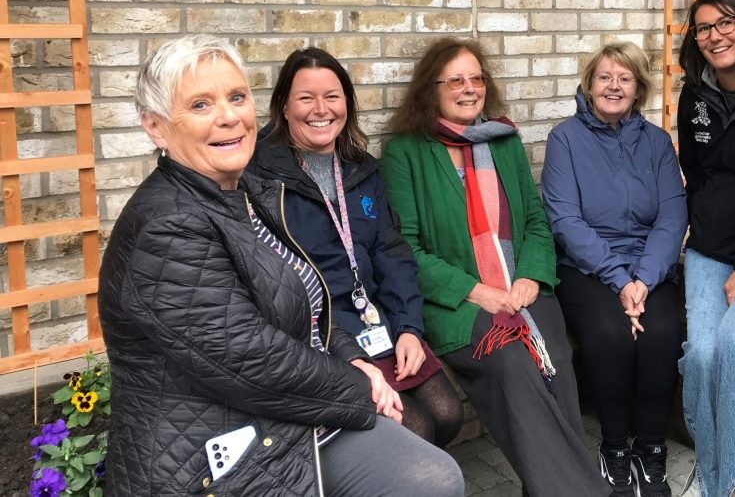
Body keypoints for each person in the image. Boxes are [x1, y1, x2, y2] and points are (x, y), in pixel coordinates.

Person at [98, 36, 464, 497]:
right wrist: (359, 384)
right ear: (155, 126)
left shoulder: (243, 195)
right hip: (214, 449)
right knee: (429, 475)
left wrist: (353, 355)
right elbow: (248, 358)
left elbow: (307, 298)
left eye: (236, 97)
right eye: (200, 104)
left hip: (279, 408)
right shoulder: (167, 224)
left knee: (437, 456)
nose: (228, 116)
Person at [380, 37, 607, 497]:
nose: (469, 88)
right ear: (430, 90)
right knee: (512, 365)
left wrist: (529, 276)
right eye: (455, 80)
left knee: (557, 363)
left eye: (476, 78)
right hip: (458, 301)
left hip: (520, 286)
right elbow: (406, 248)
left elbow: (536, 222)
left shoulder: (503, 140)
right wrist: (477, 291)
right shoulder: (406, 151)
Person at [248, 47, 464, 448]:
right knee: (415, 428)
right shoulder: (260, 179)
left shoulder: (361, 168)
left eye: (332, 96)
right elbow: (279, 290)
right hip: (320, 337)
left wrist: (409, 328)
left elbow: (391, 253)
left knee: (448, 414)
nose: (321, 109)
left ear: (346, 103)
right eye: (306, 97)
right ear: (283, 106)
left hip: (376, 322)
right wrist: (346, 354)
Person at [541, 42, 687, 497]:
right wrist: (620, 280)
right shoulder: (565, 140)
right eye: (604, 77)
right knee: (611, 334)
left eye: (625, 78)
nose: (614, 86)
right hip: (586, 268)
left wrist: (643, 278)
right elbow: (565, 220)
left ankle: (651, 448)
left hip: (649, 267)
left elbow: (672, 216)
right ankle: (615, 448)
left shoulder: (657, 142)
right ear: (589, 85)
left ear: (638, 88)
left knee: (663, 332)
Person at [676, 0, 735, 497]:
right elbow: (695, 174)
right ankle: (722, 484)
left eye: (725, 22)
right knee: (702, 358)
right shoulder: (695, 95)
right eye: (704, 28)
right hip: (709, 248)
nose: (715, 36)